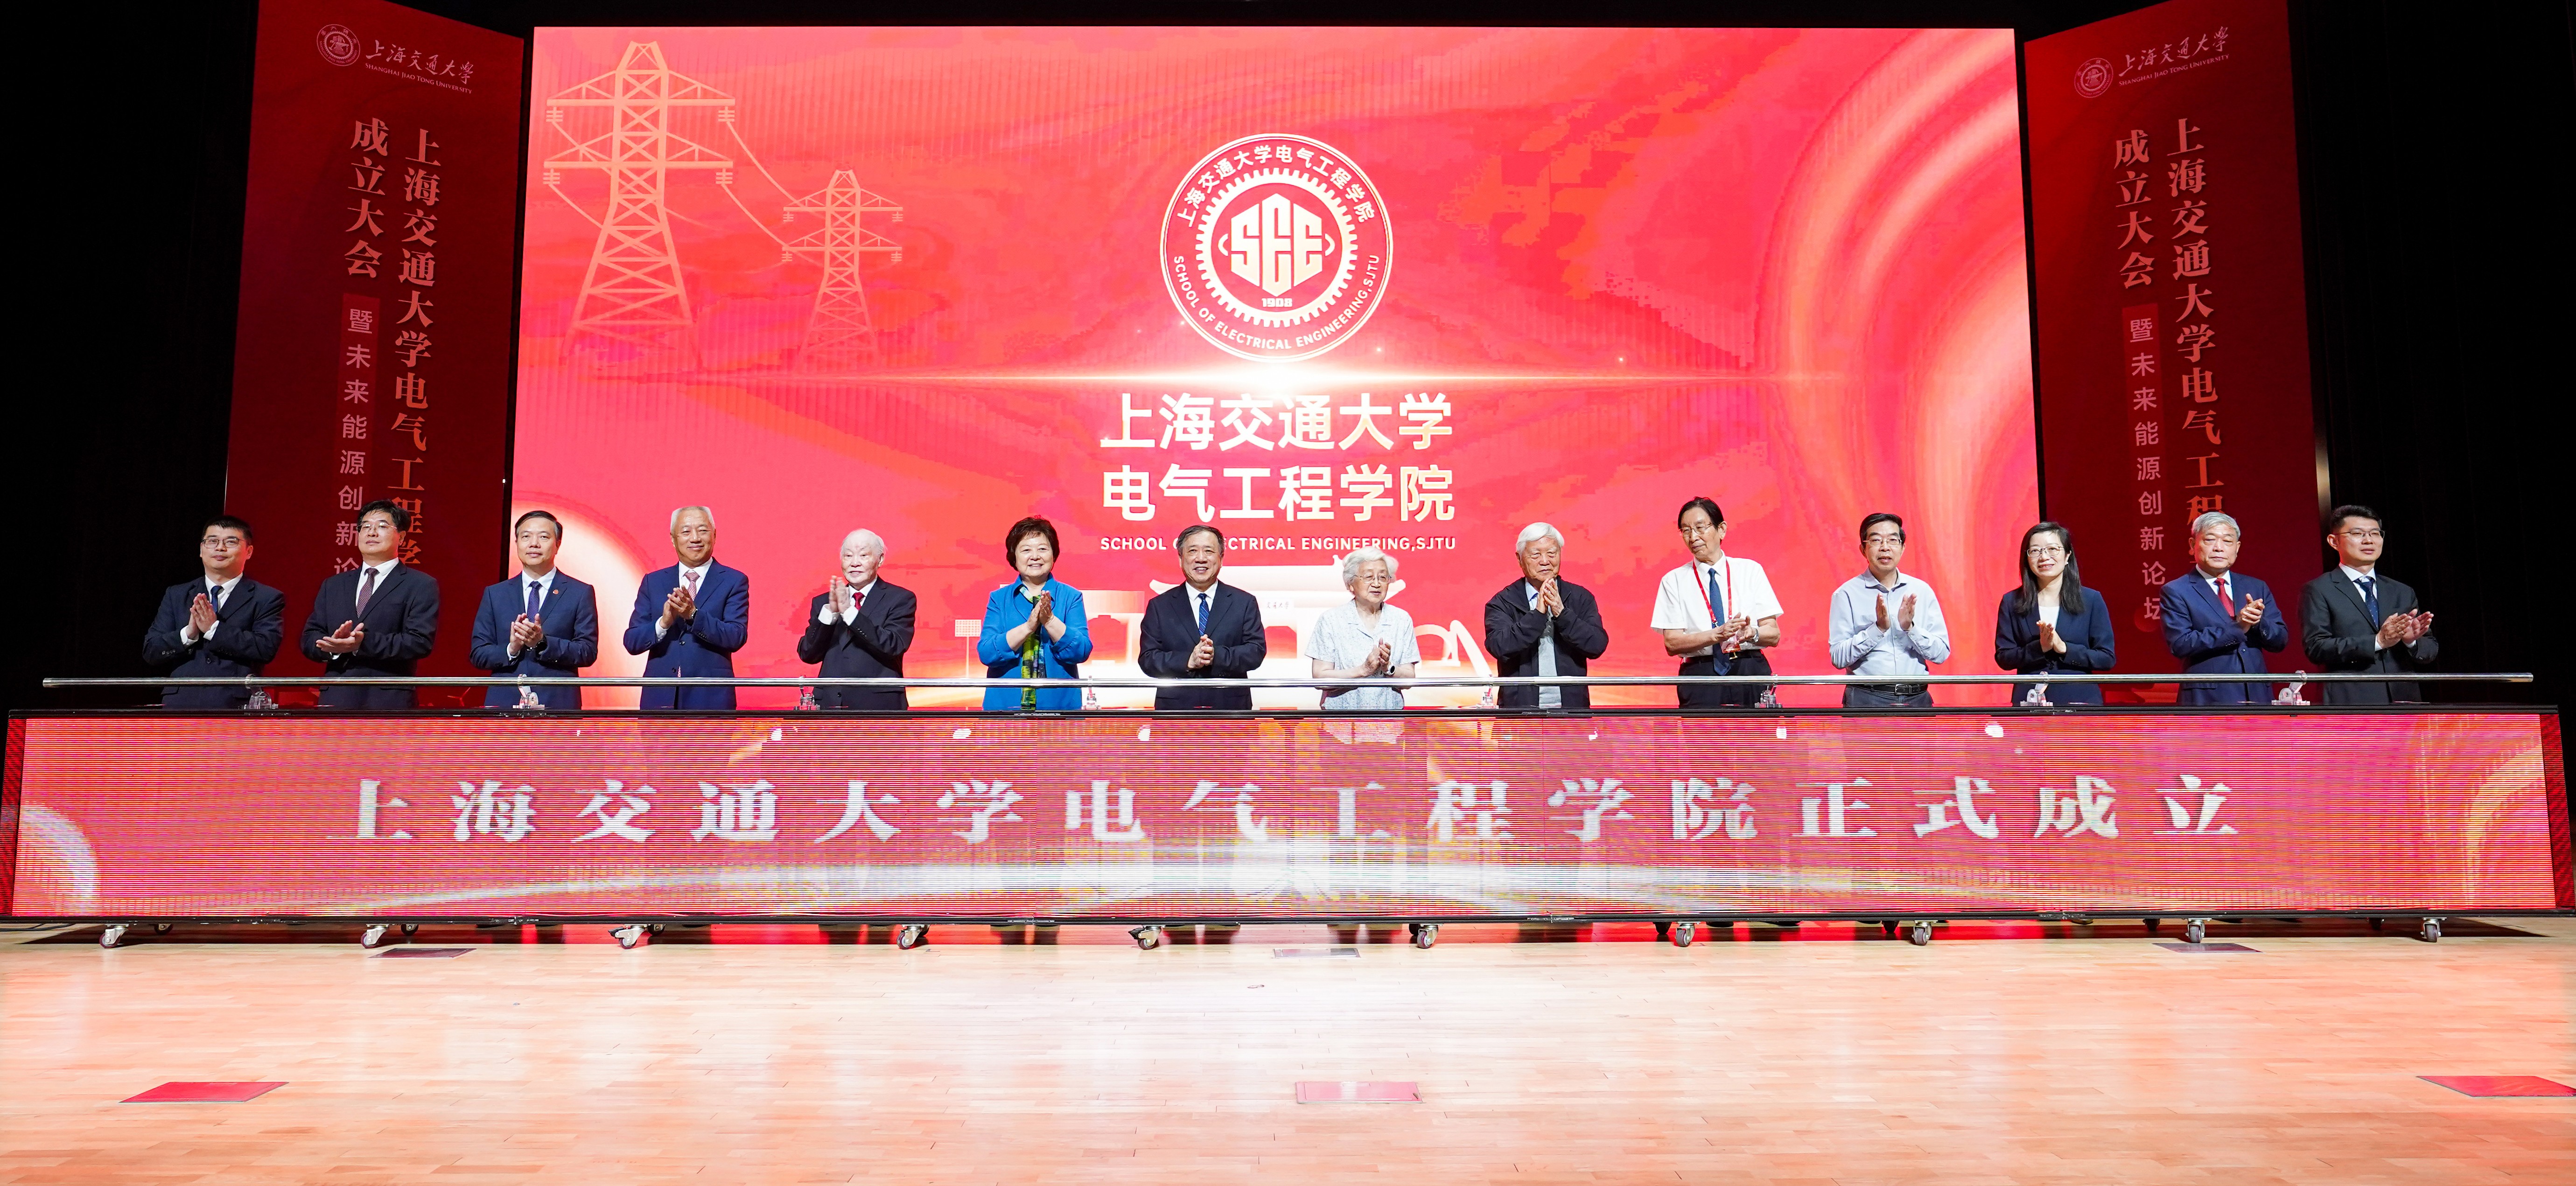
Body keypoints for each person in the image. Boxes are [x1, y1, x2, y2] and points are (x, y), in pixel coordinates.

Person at [299, 500, 441, 709]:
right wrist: (332, 647)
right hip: (337, 699)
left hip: (389, 701)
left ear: (401, 537)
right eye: (365, 526)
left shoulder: (420, 584)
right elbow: (310, 637)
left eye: (382, 526)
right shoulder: (334, 584)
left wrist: (362, 643)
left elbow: (419, 642)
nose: (371, 532)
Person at [142, 515, 286, 709]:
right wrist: (188, 634)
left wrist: (214, 629)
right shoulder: (177, 594)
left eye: (231, 542)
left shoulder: (266, 597)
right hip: (180, 703)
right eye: (212, 541)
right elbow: (152, 651)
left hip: (234, 704)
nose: (220, 548)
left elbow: (264, 648)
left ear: (249, 551)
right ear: (201, 550)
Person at [1650, 496, 1782, 707]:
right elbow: (1672, 643)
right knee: (1704, 730)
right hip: (1700, 675)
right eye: (1686, 531)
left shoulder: (1750, 571)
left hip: (1749, 669)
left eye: (1700, 528)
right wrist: (1716, 635)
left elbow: (1774, 634)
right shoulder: (1673, 580)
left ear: (1722, 529)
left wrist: (1752, 633)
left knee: (1754, 730)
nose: (1693, 537)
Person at [2299, 504, 2438, 704]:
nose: (2369, 540)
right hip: (2350, 701)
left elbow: (2429, 651)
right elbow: (2317, 648)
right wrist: (2378, 642)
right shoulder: (2319, 589)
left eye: (2375, 533)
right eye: (2357, 534)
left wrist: (2411, 641)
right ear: (2334, 541)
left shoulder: (2401, 591)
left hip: (2403, 701)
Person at [622, 505, 749, 711]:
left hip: (710, 699)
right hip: (660, 699)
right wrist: (663, 623)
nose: (695, 538)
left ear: (714, 535)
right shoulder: (653, 582)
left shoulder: (734, 581)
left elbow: (736, 637)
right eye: (686, 531)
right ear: (673, 539)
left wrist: (693, 615)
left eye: (703, 530)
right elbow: (632, 642)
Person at [468, 510, 599, 710]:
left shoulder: (579, 593)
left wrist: (543, 643)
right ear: (517, 543)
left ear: (558, 544)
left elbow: (587, 652)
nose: (534, 544)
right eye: (526, 537)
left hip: (558, 706)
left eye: (544, 537)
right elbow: (479, 654)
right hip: (504, 706)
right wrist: (511, 650)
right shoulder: (495, 594)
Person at [2159, 510, 2287, 705]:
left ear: (2237, 548)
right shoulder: (2177, 590)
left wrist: (2257, 622)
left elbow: (2280, 640)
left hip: (2257, 695)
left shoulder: (2256, 586)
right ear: (2193, 545)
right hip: (2207, 699)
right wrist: (2238, 627)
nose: (2219, 548)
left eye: (2227, 541)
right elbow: (2181, 644)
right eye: (2210, 540)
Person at [1825, 513, 1950, 707]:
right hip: (1867, 699)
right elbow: (1839, 658)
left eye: (1893, 540)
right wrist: (1877, 629)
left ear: (1902, 548)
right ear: (1863, 549)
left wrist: (1910, 628)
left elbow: (1941, 654)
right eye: (1876, 540)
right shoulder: (1846, 594)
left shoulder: (1921, 591)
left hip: (1917, 699)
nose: (1885, 547)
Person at [1137, 524, 1267, 710]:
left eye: (1209, 551)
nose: (1201, 558)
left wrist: (1216, 656)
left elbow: (1255, 652)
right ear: (1181, 559)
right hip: (1176, 712)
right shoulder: (1159, 606)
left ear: (1221, 558)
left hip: (1231, 710)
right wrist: (1188, 660)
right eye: (1193, 551)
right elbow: (1148, 659)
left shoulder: (1244, 603)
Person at [1482, 523, 1608, 709]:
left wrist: (1562, 614)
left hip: (1571, 712)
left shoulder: (1580, 597)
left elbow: (1596, 646)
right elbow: (1499, 647)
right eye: (1536, 555)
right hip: (1520, 713)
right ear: (1520, 559)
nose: (1545, 561)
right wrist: (1538, 615)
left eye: (1551, 553)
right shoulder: (1503, 602)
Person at [976, 516, 1093, 710]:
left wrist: (1050, 621)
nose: (1035, 556)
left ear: (1054, 555)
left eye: (1043, 549)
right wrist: (1029, 628)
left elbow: (1081, 651)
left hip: (1059, 709)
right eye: (1026, 550)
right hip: (1005, 710)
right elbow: (987, 653)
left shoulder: (1070, 596)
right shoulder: (999, 598)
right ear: (1014, 558)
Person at [1992, 521, 2115, 705]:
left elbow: (2106, 658)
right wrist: (2039, 647)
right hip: (2029, 703)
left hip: (2079, 703)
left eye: (2052, 549)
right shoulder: (2012, 602)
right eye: (2035, 551)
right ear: (2027, 558)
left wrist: (2064, 648)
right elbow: (2004, 658)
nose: (2044, 557)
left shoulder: (2091, 600)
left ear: (2067, 556)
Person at [796, 528, 917, 711]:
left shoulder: (900, 599)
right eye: (848, 556)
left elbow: (894, 645)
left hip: (878, 707)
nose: (855, 563)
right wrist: (831, 614)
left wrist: (850, 613)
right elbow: (808, 654)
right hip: (829, 706)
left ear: (880, 560)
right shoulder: (824, 603)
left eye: (863, 555)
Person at [1307, 547, 1420, 711]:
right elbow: (1320, 678)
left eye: (1383, 577)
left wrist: (1388, 667)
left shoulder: (1401, 619)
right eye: (1368, 577)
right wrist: (1363, 670)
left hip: (1389, 720)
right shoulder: (1331, 620)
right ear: (1351, 584)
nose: (1377, 584)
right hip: (1341, 722)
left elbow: (1409, 679)